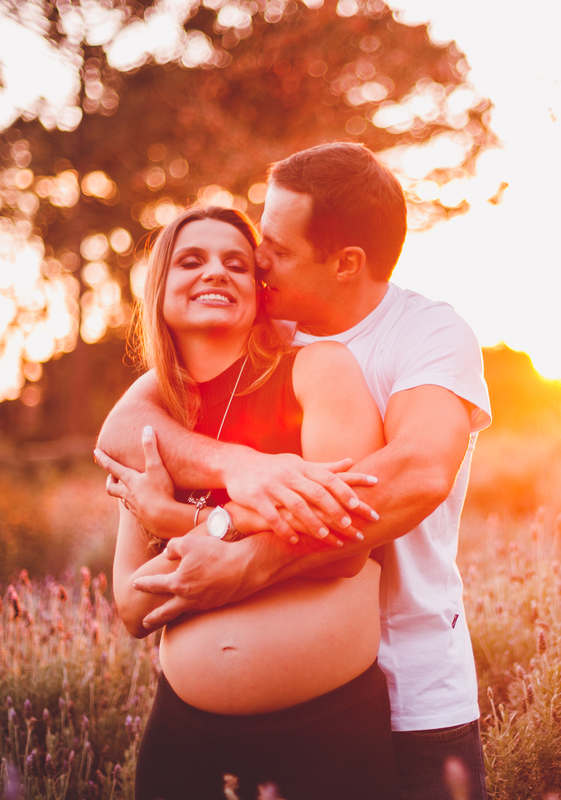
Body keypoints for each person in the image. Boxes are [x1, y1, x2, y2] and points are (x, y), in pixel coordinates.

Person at [96, 142, 493, 799]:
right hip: (225, 729)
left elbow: (414, 474)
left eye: (273, 246)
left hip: (415, 691)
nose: (257, 260)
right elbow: (126, 428)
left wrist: (219, 537)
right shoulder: (266, 333)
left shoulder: (427, 334)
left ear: (346, 264)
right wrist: (240, 468)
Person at [107, 205, 396, 800]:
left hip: (326, 735)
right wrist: (223, 526)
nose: (216, 272)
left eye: (236, 264)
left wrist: (183, 526)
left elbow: (345, 540)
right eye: (192, 260)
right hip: (183, 743)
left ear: (258, 293)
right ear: (159, 288)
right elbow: (133, 606)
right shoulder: (157, 423)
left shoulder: (316, 372)